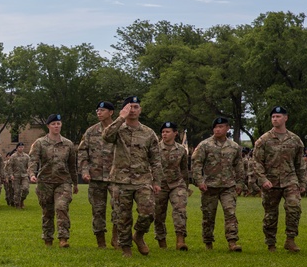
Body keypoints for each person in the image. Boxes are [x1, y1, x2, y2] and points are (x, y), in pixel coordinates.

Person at [103, 96, 162, 257]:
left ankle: (139, 235)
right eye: (130, 107)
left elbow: (156, 159)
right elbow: (106, 136)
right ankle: (126, 248)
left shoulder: (148, 133)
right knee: (122, 217)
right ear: (124, 110)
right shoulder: (118, 129)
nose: (133, 110)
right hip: (120, 180)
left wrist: (157, 181)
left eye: (136, 107)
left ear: (140, 110)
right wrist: (120, 118)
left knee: (148, 212)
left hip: (142, 179)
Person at [252, 106, 305, 252]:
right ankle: (271, 243)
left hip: (290, 180)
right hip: (271, 181)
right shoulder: (264, 140)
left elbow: (300, 163)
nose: (275, 119)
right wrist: (263, 180)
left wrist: (302, 182)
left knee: (294, 207)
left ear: (285, 118)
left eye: (278, 116)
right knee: (270, 214)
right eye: (273, 117)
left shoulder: (295, 140)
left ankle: (290, 239)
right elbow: (256, 162)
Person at [192, 117, 244, 252]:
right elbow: (197, 164)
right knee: (208, 216)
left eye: (221, 127)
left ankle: (232, 242)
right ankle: (208, 242)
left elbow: (239, 166)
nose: (217, 129)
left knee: (230, 213)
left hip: (228, 186)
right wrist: (199, 181)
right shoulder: (205, 145)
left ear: (227, 128)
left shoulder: (234, 147)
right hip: (209, 186)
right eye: (215, 127)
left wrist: (240, 183)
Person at [28, 114, 79, 248]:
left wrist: (75, 183)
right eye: (53, 124)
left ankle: (63, 238)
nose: (56, 126)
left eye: (58, 123)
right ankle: (48, 238)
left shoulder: (68, 144)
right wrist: (32, 174)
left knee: (61, 207)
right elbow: (33, 160)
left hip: (63, 181)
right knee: (48, 211)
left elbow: (72, 165)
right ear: (48, 126)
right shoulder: (39, 143)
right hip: (45, 182)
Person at [78, 101, 119, 249]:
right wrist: (84, 170)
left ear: (111, 112)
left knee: (119, 208)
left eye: (102, 110)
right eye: (97, 110)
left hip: (116, 177)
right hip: (95, 177)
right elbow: (83, 152)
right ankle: (100, 241)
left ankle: (116, 238)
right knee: (98, 210)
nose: (99, 113)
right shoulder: (91, 131)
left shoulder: (120, 130)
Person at [153, 122, 191, 251]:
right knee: (158, 214)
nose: (164, 134)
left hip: (177, 184)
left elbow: (184, 169)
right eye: (163, 132)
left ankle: (180, 240)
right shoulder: (155, 149)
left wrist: (186, 186)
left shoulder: (181, 149)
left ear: (175, 133)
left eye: (167, 131)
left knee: (180, 210)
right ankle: (161, 241)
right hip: (160, 185)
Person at [6, 143, 30, 209]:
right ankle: (17, 204)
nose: (21, 148)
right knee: (17, 191)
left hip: (24, 175)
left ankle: (22, 200)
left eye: (22, 147)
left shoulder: (26, 156)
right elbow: (10, 166)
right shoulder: (13, 156)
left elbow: (30, 166)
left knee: (26, 189)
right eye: (19, 147)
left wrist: (30, 174)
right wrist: (11, 175)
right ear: (17, 148)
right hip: (16, 176)